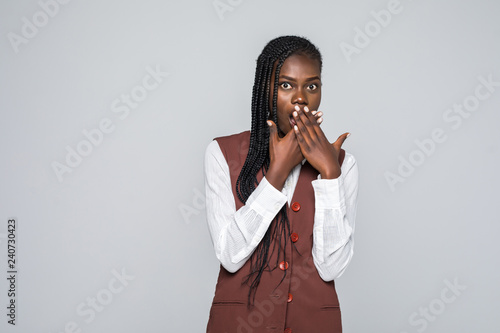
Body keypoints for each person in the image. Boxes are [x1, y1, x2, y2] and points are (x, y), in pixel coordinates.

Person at [204, 35, 359, 333]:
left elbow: (331, 267)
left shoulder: (343, 164)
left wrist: (329, 172)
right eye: (286, 85)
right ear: (265, 89)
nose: (301, 98)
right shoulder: (221, 153)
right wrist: (276, 174)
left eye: (311, 86)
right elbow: (229, 255)